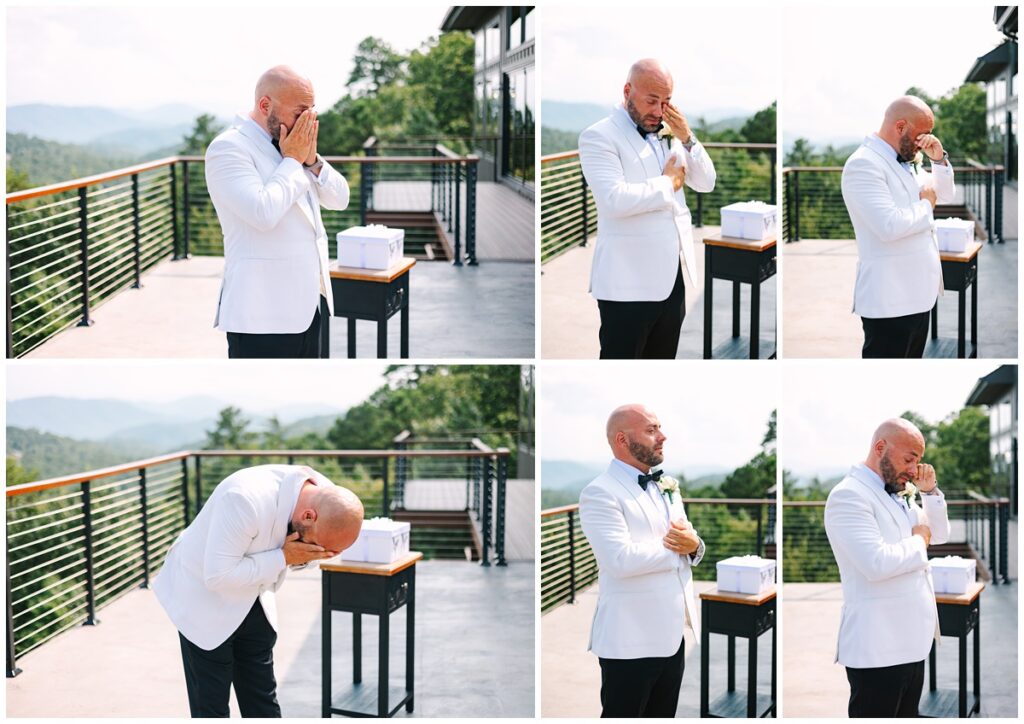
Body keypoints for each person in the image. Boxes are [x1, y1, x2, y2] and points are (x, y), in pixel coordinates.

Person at [152, 464, 364, 717]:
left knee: (262, 701)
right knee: (211, 707)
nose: (319, 555)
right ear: (309, 516)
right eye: (320, 547)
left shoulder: (325, 497)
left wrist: (295, 556)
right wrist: (283, 557)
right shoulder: (243, 499)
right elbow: (218, 576)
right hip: (201, 597)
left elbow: (304, 556)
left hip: (255, 596)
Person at [206, 66, 350, 358]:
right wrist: (294, 161)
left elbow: (340, 199)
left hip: (310, 308)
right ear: (265, 105)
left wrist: (312, 162)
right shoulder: (228, 148)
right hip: (260, 315)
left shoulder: (293, 150)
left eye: (311, 112)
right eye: (300, 113)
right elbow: (262, 212)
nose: (307, 122)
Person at [578, 59, 717, 359]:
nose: (658, 111)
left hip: (671, 281)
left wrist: (687, 137)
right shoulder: (599, 136)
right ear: (628, 90)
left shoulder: (668, 132)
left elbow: (706, 182)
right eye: (652, 101)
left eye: (666, 102)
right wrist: (668, 184)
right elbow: (613, 199)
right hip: (626, 285)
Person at [579, 404, 705, 717]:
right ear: (622, 440)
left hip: (673, 638)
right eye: (651, 430)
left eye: (659, 428)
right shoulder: (599, 492)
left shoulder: (668, 485)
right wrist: (680, 548)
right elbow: (618, 559)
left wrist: (695, 545)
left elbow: (686, 538)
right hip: (629, 641)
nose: (662, 436)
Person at [824, 418, 950, 717]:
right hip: (878, 648)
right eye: (909, 459)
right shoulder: (848, 496)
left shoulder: (898, 491)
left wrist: (930, 492)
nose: (914, 469)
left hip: (913, 643)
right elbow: (876, 563)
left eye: (918, 461)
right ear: (880, 447)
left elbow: (940, 534)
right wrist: (919, 542)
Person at [841, 95, 955, 358]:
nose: (924, 141)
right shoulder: (863, 164)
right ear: (901, 127)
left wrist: (938, 160)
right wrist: (926, 205)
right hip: (890, 300)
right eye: (921, 134)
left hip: (919, 296)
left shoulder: (906, 158)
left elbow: (945, 194)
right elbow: (888, 226)